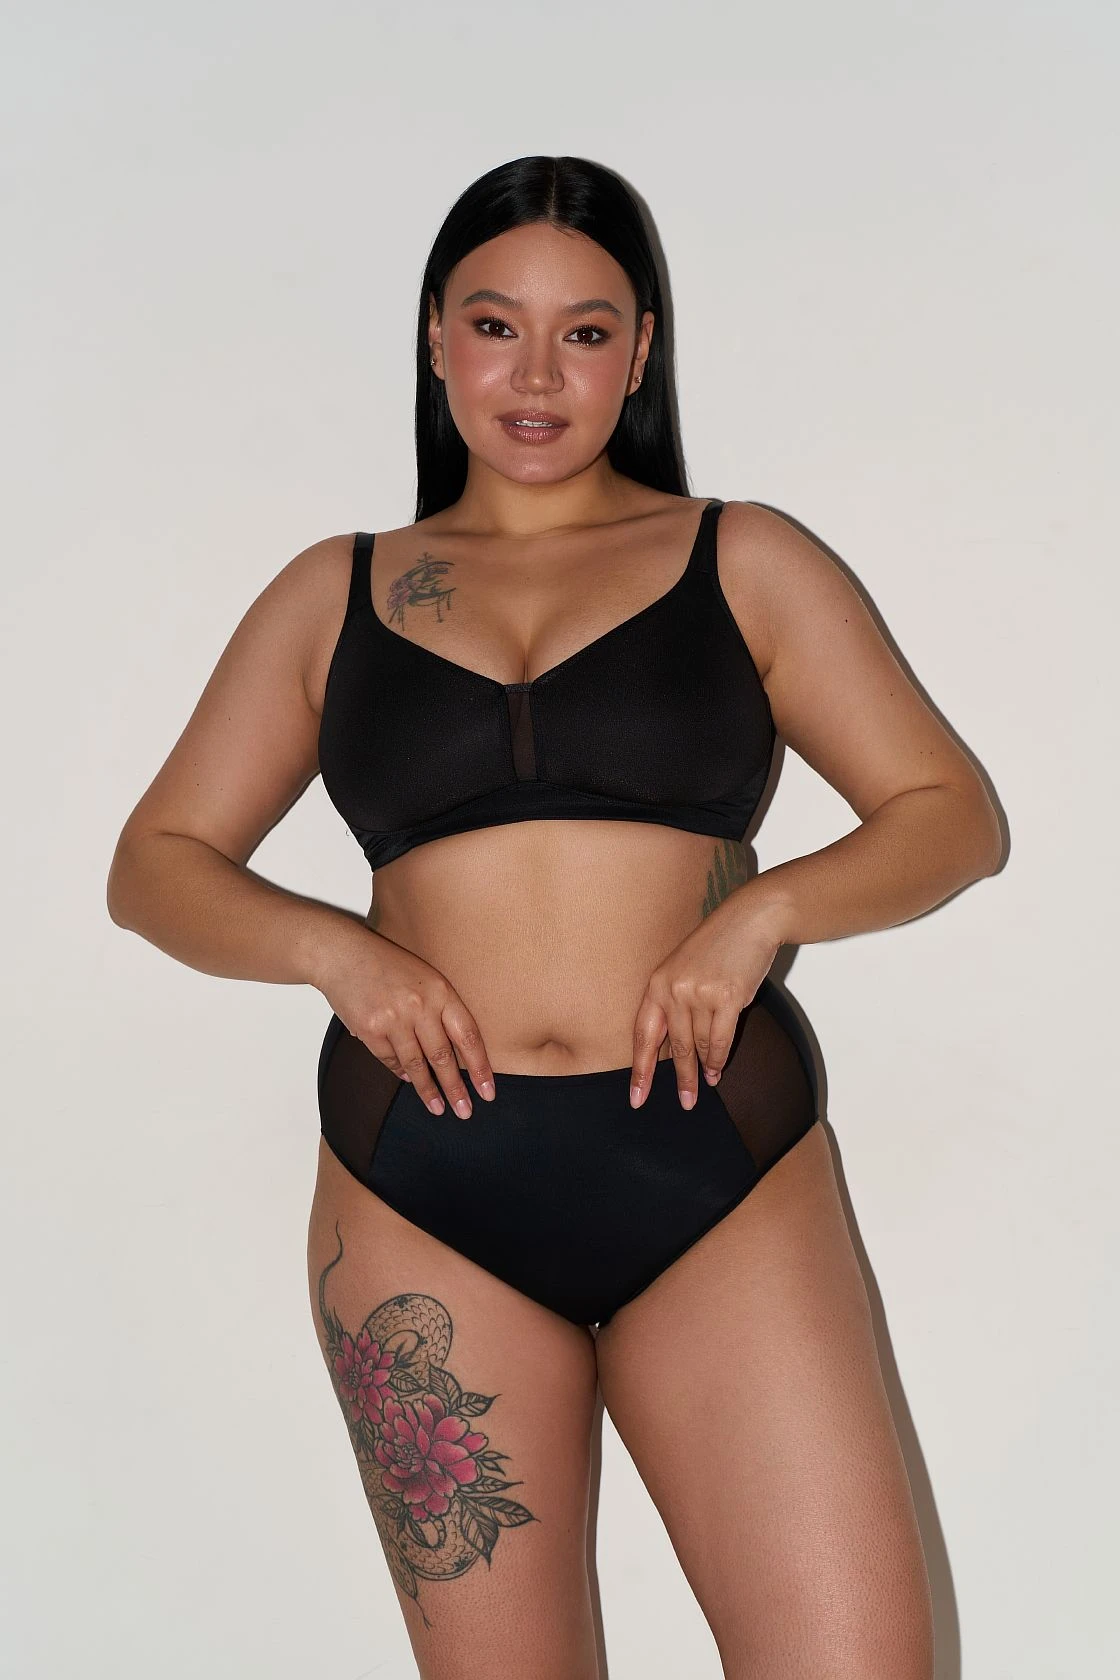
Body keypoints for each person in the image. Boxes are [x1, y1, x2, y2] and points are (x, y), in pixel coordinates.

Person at [106, 154, 1001, 1679]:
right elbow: (157, 865)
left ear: (641, 354)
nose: (535, 375)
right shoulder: (338, 590)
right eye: (494, 325)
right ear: (434, 338)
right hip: (422, 1186)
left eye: (584, 333)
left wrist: (763, 915)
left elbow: (949, 817)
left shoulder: (743, 558)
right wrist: (336, 951)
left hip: (715, 1161)